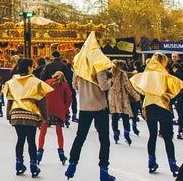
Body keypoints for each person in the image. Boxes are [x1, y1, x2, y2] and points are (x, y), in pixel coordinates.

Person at [64, 33, 113, 181]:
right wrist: (111, 82)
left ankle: (72, 166)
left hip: (84, 106)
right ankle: (103, 172)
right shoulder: (98, 62)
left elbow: (75, 85)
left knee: (80, 137)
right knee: (104, 139)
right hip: (100, 106)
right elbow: (104, 86)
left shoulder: (79, 61)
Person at [131, 53, 183, 176]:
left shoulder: (146, 75)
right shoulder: (165, 75)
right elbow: (174, 91)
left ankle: (151, 161)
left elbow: (140, 88)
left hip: (149, 106)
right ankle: (172, 164)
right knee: (167, 138)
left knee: (152, 135)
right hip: (163, 106)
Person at [3, 58, 52, 177]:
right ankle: (33, 166)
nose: (33, 68)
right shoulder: (36, 82)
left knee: (20, 139)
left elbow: (10, 100)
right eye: (32, 66)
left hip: (16, 113)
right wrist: (46, 117)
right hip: (30, 114)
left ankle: (19, 164)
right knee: (31, 141)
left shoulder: (12, 82)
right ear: (29, 67)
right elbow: (41, 101)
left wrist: (9, 114)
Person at [38, 70, 72, 165]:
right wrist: (64, 109)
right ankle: (61, 153)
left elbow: (41, 94)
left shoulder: (47, 82)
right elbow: (69, 99)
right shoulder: (64, 85)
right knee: (59, 132)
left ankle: (39, 152)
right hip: (59, 110)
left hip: (47, 110)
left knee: (43, 132)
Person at [107, 60, 139, 146]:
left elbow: (105, 86)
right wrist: (136, 96)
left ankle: (115, 133)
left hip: (112, 98)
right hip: (123, 98)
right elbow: (128, 87)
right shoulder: (122, 74)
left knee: (114, 117)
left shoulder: (109, 74)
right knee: (125, 116)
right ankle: (126, 132)